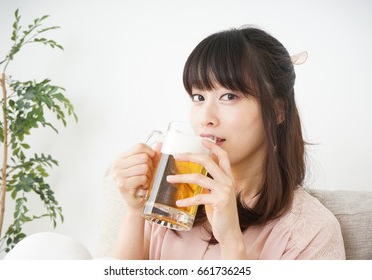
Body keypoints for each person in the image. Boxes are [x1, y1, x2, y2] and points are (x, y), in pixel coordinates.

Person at [110, 26, 346, 259]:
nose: (205, 118)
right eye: (198, 97)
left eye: (229, 96)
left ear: (277, 111)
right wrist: (135, 210)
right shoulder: (170, 198)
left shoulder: (312, 233)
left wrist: (232, 241)